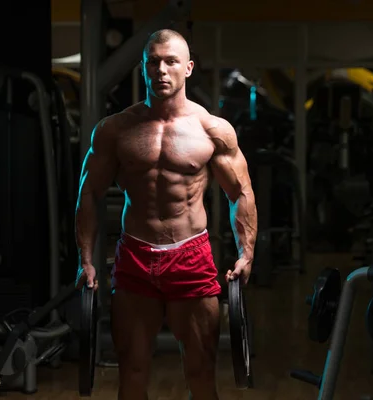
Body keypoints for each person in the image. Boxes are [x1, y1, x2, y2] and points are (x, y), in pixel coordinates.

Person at [75, 29, 257, 400]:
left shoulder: (212, 130)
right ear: (142, 69)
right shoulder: (115, 130)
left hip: (190, 255)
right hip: (135, 257)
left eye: (171, 61)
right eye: (152, 62)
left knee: (202, 371)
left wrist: (247, 253)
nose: (161, 70)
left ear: (188, 68)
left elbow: (240, 192)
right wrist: (86, 260)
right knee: (133, 371)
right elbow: (89, 193)